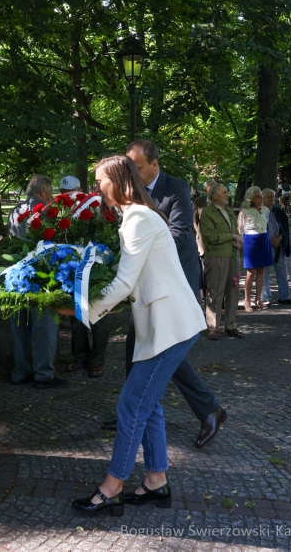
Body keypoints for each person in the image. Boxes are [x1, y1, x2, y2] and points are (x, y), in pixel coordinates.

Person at [70, 155, 206, 516]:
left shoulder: (139, 219)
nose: (97, 188)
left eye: (101, 181)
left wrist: (81, 310)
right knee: (149, 404)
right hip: (164, 326)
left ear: (117, 181)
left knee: (131, 405)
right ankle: (156, 481)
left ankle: (112, 488)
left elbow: (123, 284)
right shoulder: (137, 216)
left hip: (170, 327)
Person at [100, 140, 226, 449]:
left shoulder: (176, 187)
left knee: (163, 347)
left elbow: (180, 234)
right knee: (141, 344)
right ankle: (135, 409)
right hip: (145, 279)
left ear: (154, 164)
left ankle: (205, 408)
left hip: (173, 278)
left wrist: (140, 251)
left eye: (137, 167)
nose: (131, 172)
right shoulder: (129, 197)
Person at [7, 175, 69, 387]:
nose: (51, 196)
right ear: (43, 191)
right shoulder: (44, 211)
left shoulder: (14, 211)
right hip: (41, 277)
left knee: (19, 327)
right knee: (44, 326)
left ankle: (20, 372)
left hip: (16, 276)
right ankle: (43, 375)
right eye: (50, 191)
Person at [61, 175, 108, 377]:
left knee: (99, 314)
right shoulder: (61, 210)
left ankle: (97, 361)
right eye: (64, 193)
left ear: (80, 190)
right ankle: (80, 357)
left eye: (71, 192)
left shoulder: (94, 206)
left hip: (96, 265)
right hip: (72, 266)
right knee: (76, 317)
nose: (68, 196)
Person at [199, 182, 244, 339]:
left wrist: (238, 240)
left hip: (232, 256)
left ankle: (231, 325)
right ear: (215, 196)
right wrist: (232, 236)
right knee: (215, 291)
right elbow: (210, 236)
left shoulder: (228, 210)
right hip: (217, 256)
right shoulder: (207, 212)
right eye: (224, 192)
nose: (228, 195)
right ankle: (213, 327)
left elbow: (235, 231)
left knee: (233, 291)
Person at [238, 186, 272, 310]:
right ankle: (247, 301)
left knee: (261, 270)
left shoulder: (266, 210)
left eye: (261, 196)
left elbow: (266, 224)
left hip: (264, 240)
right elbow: (240, 230)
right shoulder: (244, 212)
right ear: (251, 198)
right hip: (250, 241)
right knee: (251, 272)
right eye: (258, 196)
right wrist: (240, 243)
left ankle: (258, 299)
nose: (261, 198)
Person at [261, 188, 291, 306]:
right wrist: (271, 240)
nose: (272, 199)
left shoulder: (278, 212)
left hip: (279, 246)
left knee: (282, 273)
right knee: (264, 273)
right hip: (265, 246)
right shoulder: (259, 212)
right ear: (262, 198)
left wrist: (279, 238)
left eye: (274, 197)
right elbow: (258, 229)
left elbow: (283, 228)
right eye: (269, 197)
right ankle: (265, 297)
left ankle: (284, 296)